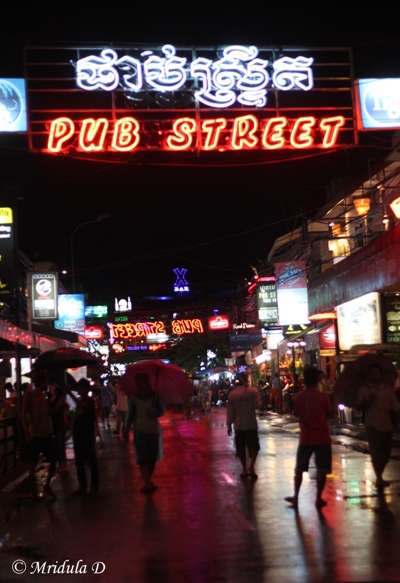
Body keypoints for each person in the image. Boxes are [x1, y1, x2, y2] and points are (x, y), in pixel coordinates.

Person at [284, 366, 333, 508]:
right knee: (322, 469)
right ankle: (318, 498)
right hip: (323, 437)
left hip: (306, 437)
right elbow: (329, 412)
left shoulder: (297, 398)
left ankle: (296, 496)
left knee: (299, 468)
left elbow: (298, 413)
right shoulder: (323, 397)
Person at [355, 363, 400, 489]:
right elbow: (358, 407)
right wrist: (368, 401)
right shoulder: (364, 390)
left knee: (386, 453)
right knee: (376, 452)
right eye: (372, 373)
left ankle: (379, 475)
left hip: (386, 424)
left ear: (380, 374)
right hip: (371, 424)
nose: (374, 375)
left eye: (377, 372)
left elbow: (396, 406)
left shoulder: (388, 389)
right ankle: (379, 477)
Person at [126, 373, 165, 493]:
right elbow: (130, 415)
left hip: (153, 430)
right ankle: (147, 484)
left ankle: (148, 481)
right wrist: (126, 430)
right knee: (143, 459)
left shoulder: (155, 396)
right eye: (136, 380)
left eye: (141, 380)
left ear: (146, 381)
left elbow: (162, 409)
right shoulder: (133, 398)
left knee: (152, 458)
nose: (138, 383)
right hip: (139, 431)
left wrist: (156, 413)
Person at [21, 370, 57, 498]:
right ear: (42, 382)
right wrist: (27, 433)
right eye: (46, 381)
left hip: (46, 432)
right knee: (33, 462)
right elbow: (23, 414)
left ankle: (46, 485)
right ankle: (34, 489)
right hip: (35, 433)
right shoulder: (29, 395)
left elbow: (48, 413)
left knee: (53, 460)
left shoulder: (45, 396)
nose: (47, 383)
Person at [68, 378, 99, 495]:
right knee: (79, 462)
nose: (79, 390)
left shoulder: (90, 401)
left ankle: (94, 485)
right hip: (79, 435)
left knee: (91, 461)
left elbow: (82, 405)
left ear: (86, 389)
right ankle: (83, 486)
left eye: (80, 387)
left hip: (87, 436)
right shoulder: (82, 400)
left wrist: (69, 393)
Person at [227, 373, 260, 479]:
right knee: (254, 446)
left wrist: (229, 425)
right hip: (251, 424)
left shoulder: (232, 394)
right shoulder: (252, 392)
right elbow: (257, 405)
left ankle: (244, 470)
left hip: (238, 425)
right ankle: (251, 466)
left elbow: (230, 412)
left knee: (241, 448)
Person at [49, 384, 68, 471]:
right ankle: (60, 463)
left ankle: (62, 463)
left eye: (53, 387)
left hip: (59, 424)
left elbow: (53, 411)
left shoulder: (60, 400)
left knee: (60, 444)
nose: (51, 389)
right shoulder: (56, 399)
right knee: (58, 444)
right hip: (56, 424)